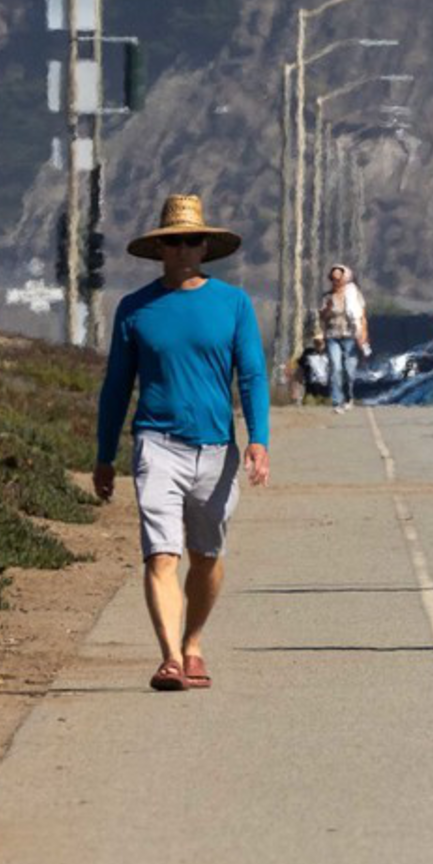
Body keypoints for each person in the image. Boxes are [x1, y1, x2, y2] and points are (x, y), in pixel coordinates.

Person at [93, 192, 274, 693]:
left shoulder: (233, 304)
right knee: (161, 556)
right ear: (161, 249)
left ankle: (193, 642)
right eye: (174, 241)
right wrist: (104, 455)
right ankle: (170, 658)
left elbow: (253, 376)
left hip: (216, 450)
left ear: (205, 247)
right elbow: (115, 388)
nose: (184, 249)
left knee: (207, 556)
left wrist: (259, 440)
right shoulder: (135, 310)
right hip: (156, 444)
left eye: (192, 240)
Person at [316, 262, 371, 407]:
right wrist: (327, 310)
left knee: (349, 369)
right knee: (335, 367)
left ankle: (348, 396)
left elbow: (361, 317)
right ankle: (336, 399)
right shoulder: (327, 297)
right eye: (333, 279)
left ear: (345, 279)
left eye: (339, 279)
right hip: (332, 335)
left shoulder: (354, 295)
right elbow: (321, 317)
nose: (336, 282)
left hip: (350, 336)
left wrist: (364, 334)